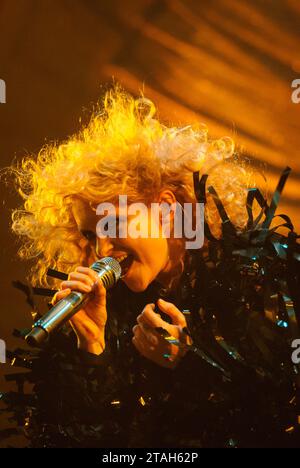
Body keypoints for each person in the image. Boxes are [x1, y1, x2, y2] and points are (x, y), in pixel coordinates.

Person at [2, 87, 300, 448]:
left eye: (112, 225)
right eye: (90, 236)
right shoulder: (111, 312)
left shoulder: (262, 283)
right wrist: (93, 348)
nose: (102, 249)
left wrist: (195, 365)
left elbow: (278, 418)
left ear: (166, 208)